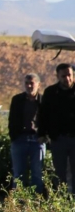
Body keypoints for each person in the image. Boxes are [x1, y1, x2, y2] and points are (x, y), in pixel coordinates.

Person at [38, 63, 75, 191]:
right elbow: (43, 114)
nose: (67, 79)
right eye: (63, 76)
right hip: (58, 139)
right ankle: (62, 201)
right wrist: (42, 134)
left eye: (69, 75)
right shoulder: (51, 92)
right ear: (57, 76)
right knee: (60, 172)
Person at [8, 73, 45, 194]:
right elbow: (12, 119)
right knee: (19, 173)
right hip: (20, 139)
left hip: (37, 139)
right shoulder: (17, 100)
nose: (29, 86)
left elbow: (49, 119)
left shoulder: (43, 101)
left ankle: (37, 202)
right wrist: (14, 137)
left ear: (38, 85)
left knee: (37, 172)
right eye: (26, 83)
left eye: (32, 83)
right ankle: (19, 202)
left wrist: (44, 136)